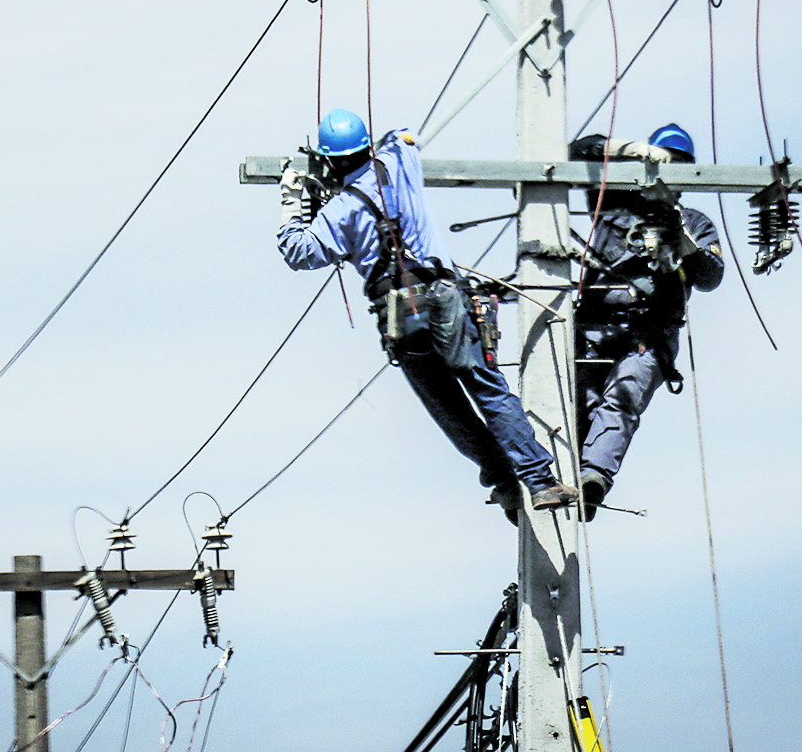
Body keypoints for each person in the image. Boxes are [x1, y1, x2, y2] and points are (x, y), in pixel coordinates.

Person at [277, 108, 578, 521]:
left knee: (448, 408)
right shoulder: (397, 162)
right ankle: (540, 483)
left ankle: (502, 478)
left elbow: (298, 250)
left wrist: (294, 200)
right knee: (489, 390)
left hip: (398, 315)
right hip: (443, 297)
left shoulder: (338, 212)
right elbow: (403, 135)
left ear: (331, 160)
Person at [570, 123, 724, 520]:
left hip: (648, 333)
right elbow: (578, 151)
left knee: (622, 400)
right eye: (664, 160)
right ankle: (560, 474)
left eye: (679, 164)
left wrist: (683, 241)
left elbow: (710, 276)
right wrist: (628, 149)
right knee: (579, 407)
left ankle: (592, 479)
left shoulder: (694, 221)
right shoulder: (614, 199)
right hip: (594, 327)